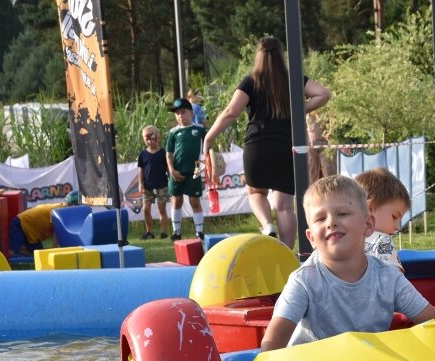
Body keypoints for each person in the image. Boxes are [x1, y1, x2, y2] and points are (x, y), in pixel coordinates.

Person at [260, 175, 435, 351]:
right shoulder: (305, 280)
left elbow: (434, 320)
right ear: (311, 238)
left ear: (368, 225)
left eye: (342, 213)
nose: (331, 222)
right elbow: (273, 343)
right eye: (320, 218)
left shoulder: (388, 278)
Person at [203, 37, 331, 248]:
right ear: (281, 56)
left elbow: (230, 112)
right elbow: (323, 94)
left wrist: (210, 137)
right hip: (284, 148)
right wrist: (297, 111)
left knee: (255, 192)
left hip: (257, 147)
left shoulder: (251, 81)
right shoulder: (293, 79)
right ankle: (287, 254)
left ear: (258, 56)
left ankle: (266, 225)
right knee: (284, 207)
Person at [166, 97, 208, 241]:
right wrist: (171, 170)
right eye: (177, 113)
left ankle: (199, 232)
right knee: (177, 201)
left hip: (194, 171)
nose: (180, 116)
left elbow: (208, 148)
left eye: (183, 112)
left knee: (194, 201)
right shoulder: (173, 132)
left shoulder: (199, 129)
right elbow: (169, 154)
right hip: (176, 172)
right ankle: (176, 231)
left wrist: (207, 164)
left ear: (191, 113)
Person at [354, 167, 410, 270]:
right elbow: (394, 279)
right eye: (394, 216)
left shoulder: (345, 238)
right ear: (370, 208)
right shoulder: (382, 240)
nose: (398, 227)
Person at [8, 191, 78, 257]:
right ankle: (3, 262)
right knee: (12, 252)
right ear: (73, 206)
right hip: (21, 223)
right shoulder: (60, 211)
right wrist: (54, 252)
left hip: (32, 231)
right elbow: (56, 233)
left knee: (38, 254)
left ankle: (20, 254)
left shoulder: (62, 209)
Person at [137, 125, 169, 239]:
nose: (150, 141)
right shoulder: (143, 155)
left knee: (162, 209)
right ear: (144, 139)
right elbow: (141, 170)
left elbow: (168, 169)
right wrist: (140, 183)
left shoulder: (163, 153)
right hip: (147, 186)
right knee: (146, 209)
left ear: (157, 138)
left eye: (152, 138)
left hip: (162, 185)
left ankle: (164, 232)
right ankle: (149, 231)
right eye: (147, 139)